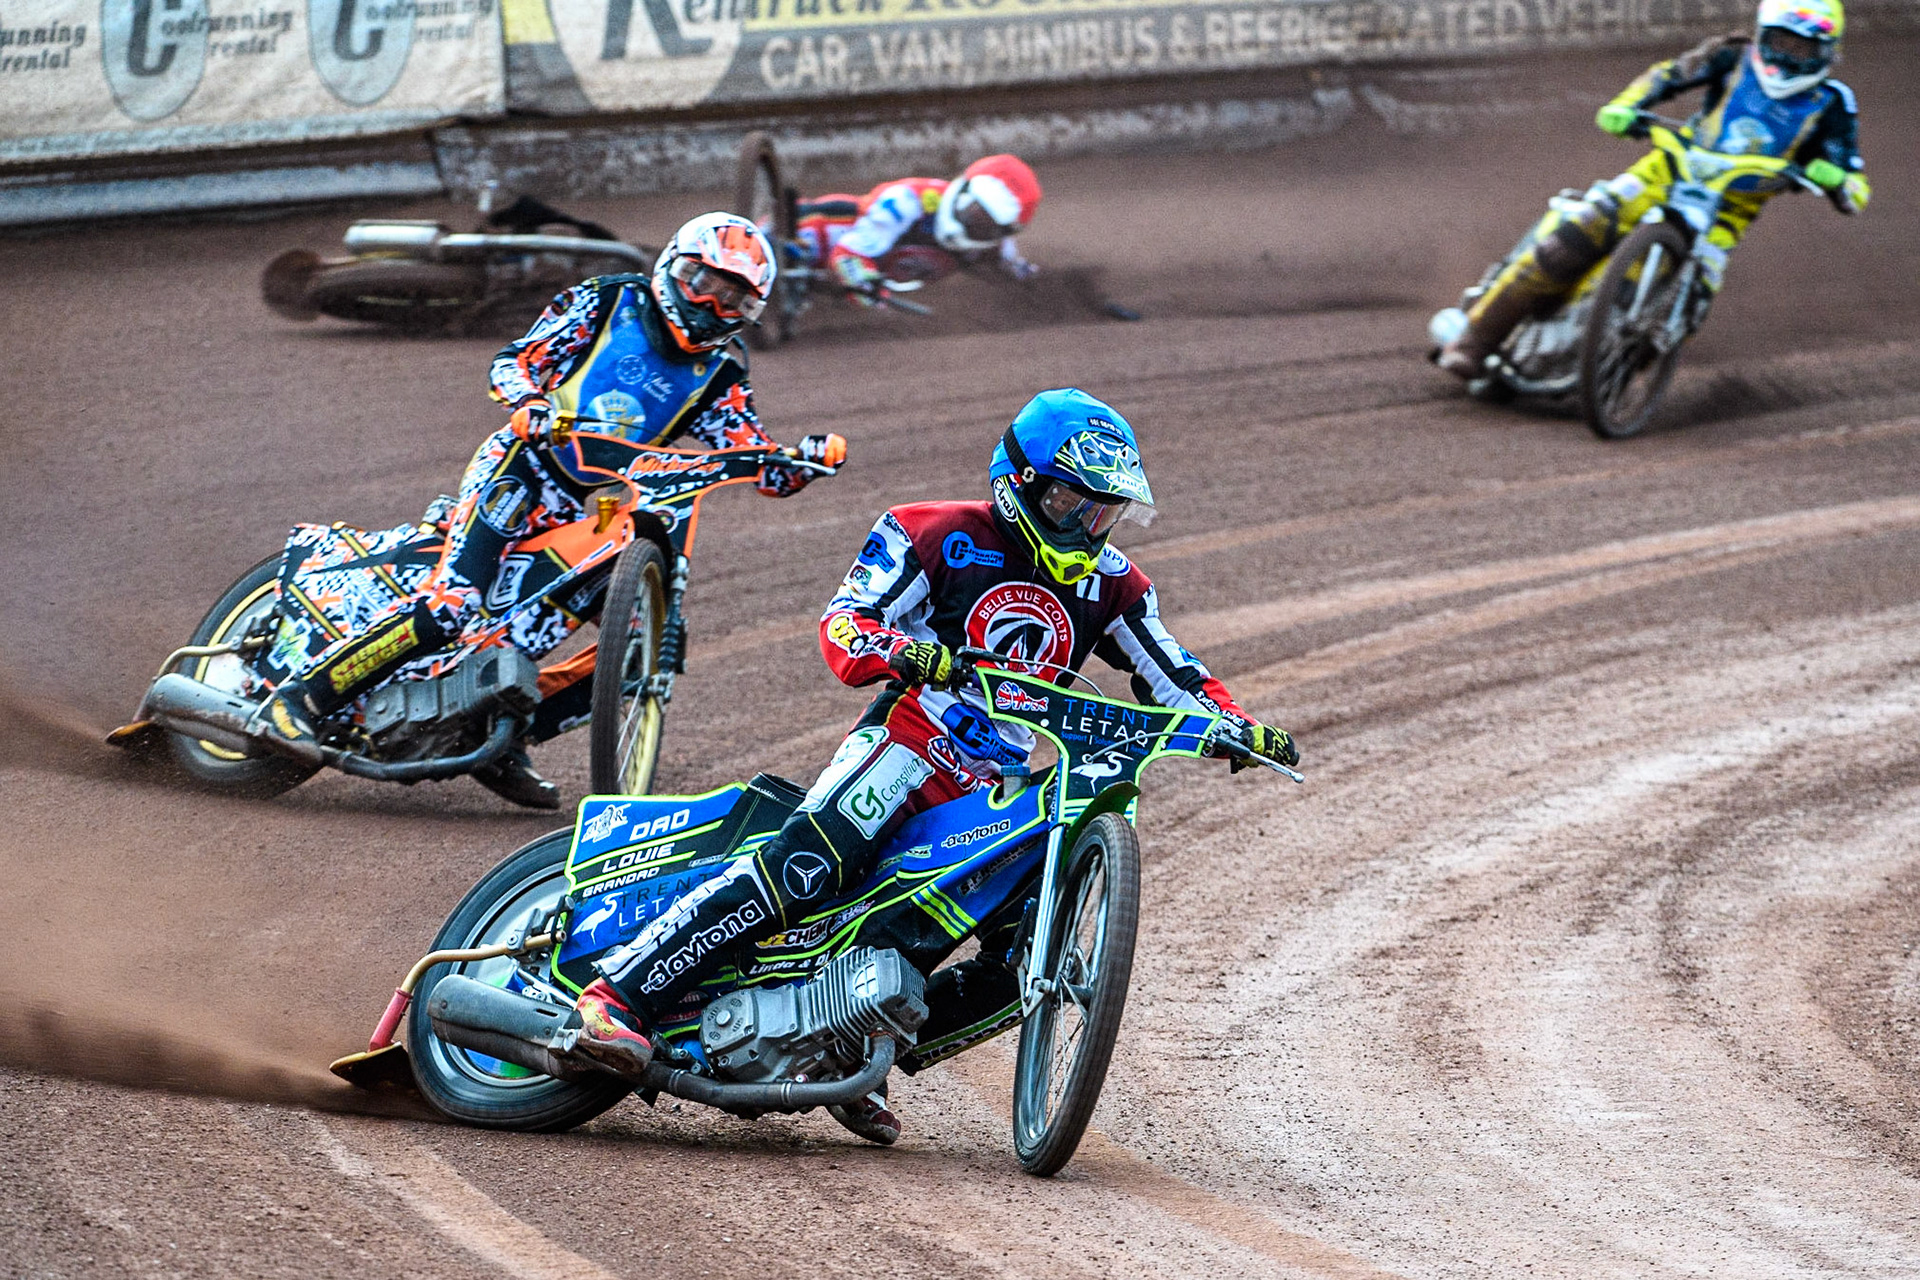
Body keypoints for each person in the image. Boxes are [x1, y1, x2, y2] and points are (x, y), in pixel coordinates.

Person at [563, 387, 1300, 1143]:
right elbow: (844, 624)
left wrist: (1236, 724)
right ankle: (617, 996)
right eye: (1072, 503)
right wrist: (904, 651)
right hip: (908, 742)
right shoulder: (931, 532)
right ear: (1018, 483)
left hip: (993, 789)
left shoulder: (1115, 584)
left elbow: (1175, 671)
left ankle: (840, 1046)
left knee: (1016, 962)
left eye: (1103, 511)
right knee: (809, 867)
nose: (1088, 525)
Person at [251, 212, 836, 808]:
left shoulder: (722, 371)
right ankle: (302, 701)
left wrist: (801, 463)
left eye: (733, 298)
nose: (712, 304)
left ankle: (498, 736)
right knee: (454, 606)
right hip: (522, 465)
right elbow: (513, 362)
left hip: (584, 506)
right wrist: (530, 400)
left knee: (619, 640)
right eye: (703, 282)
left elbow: (750, 453)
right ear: (673, 267)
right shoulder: (610, 301)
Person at [1434, 0, 1870, 379]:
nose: (1789, 57)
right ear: (1762, 36)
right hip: (1664, 172)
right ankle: (1473, 343)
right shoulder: (1731, 57)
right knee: (1566, 243)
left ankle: (1616, 377)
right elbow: (1669, 75)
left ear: (1827, 52)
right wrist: (1626, 105)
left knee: (1689, 304)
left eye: (1802, 47)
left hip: (1729, 211)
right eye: (1781, 41)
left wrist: (1838, 180)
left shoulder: (1832, 104)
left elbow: (1855, 186)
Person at [792, 154, 1043, 305]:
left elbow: (1023, 281)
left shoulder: (997, 251)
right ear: (962, 189)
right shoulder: (908, 200)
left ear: (1002, 234)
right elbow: (848, 256)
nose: (974, 225)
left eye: (986, 227)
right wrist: (860, 280)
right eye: (973, 212)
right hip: (824, 228)